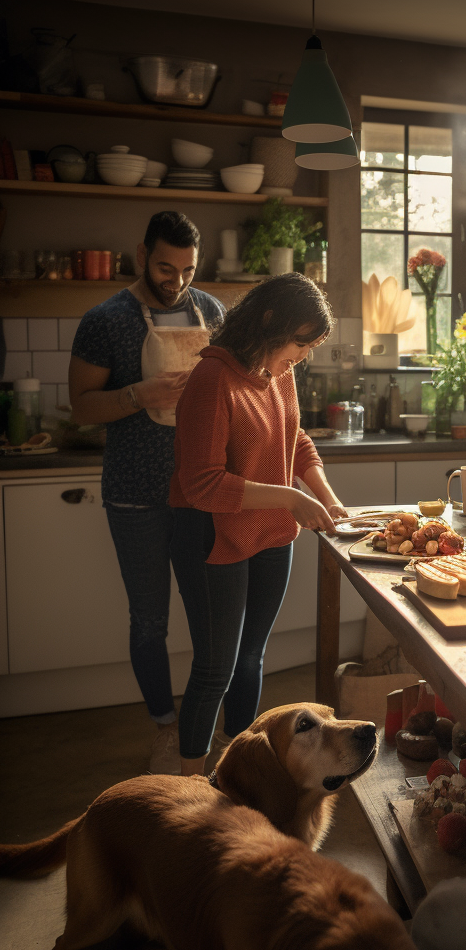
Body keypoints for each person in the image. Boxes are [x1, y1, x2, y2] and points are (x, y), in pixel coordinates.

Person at [169, 273, 348, 777]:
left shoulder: (278, 372)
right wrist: (292, 497)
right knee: (215, 668)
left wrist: (330, 501)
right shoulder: (212, 378)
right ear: (269, 323)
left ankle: (235, 772)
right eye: (300, 342)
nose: (303, 355)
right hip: (211, 533)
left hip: (270, 533)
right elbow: (203, 483)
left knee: (251, 657)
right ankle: (190, 790)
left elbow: (297, 444)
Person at [69, 212, 224, 775]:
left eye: (187, 269)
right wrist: (140, 393)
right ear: (142, 255)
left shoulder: (212, 312)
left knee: (209, 614)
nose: (177, 280)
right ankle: (164, 726)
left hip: (201, 490)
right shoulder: (105, 320)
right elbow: (82, 407)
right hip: (135, 494)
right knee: (149, 621)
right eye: (165, 267)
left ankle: (200, 728)